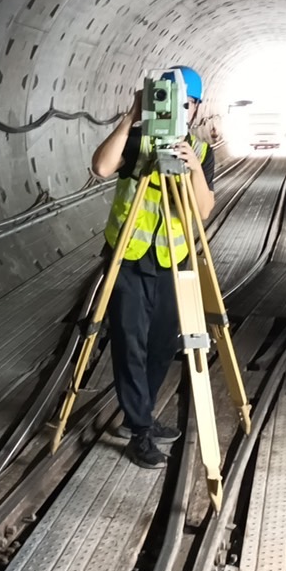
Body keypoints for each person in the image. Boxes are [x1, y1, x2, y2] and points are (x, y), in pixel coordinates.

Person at [90, 66, 217, 469]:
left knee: (163, 342)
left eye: (187, 103)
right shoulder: (136, 140)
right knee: (130, 340)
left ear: (196, 109)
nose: (178, 108)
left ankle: (138, 415)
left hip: (171, 260)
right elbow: (100, 168)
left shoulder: (200, 151)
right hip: (127, 256)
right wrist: (132, 117)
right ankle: (140, 429)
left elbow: (202, 211)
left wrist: (192, 166)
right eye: (170, 99)